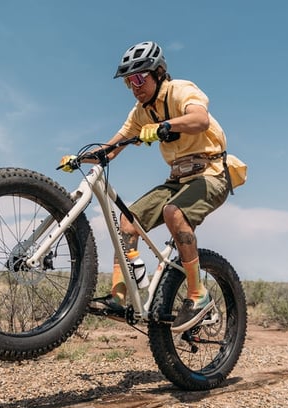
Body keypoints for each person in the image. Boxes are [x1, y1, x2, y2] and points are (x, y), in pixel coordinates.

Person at [60, 41, 244, 333]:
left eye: (138, 78)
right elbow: (111, 148)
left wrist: (165, 126)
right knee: (127, 221)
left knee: (174, 212)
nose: (133, 87)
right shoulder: (140, 112)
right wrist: (79, 158)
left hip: (211, 172)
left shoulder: (180, 90)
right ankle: (119, 297)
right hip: (177, 179)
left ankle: (198, 295)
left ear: (158, 73)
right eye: (127, 82)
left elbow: (200, 119)